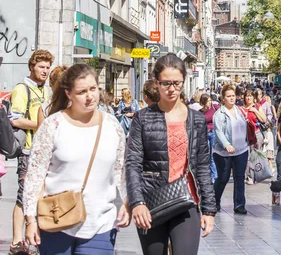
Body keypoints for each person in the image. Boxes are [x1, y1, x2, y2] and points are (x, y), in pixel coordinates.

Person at [22, 64, 130, 254]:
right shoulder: (53, 125)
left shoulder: (112, 126)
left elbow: (120, 170)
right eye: (82, 92)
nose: (90, 97)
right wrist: (30, 219)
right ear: (69, 94)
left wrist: (129, 202)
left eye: (93, 89)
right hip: (56, 221)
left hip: (100, 223)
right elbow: (35, 176)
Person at [126, 53, 216, 254]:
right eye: (166, 83)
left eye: (177, 83)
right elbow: (132, 164)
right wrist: (137, 203)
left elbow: (202, 166)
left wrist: (209, 210)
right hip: (151, 202)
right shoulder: (143, 119)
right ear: (156, 83)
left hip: (186, 200)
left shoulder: (196, 120)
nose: (172, 88)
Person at [10, 49, 54, 255]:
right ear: (31, 67)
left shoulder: (46, 90)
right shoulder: (22, 89)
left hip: (43, 151)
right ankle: (17, 241)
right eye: (41, 67)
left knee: (39, 196)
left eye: (47, 67)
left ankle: (35, 237)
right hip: (27, 150)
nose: (45, 71)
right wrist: (40, 125)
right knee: (23, 196)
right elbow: (14, 118)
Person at [213, 85, 255, 214]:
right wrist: (226, 144)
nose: (231, 98)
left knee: (239, 177)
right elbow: (218, 132)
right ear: (223, 98)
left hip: (241, 149)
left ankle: (239, 205)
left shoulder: (240, 111)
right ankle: (214, 201)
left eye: (233, 96)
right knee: (223, 178)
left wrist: (251, 141)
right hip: (223, 152)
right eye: (228, 96)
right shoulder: (219, 114)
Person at [240, 90, 267, 184]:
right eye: (247, 96)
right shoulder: (241, 109)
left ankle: (252, 176)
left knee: (254, 155)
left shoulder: (257, 107)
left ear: (254, 97)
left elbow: (264, 119)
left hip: (256, 133)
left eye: (251, 96)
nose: (249, 98)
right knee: (245, 156)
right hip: (244, 134)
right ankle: (245, 176)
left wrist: (255, 111)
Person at [199, 93, 219, 182]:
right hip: (204, 134)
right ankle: (207, 175)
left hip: (213, 133)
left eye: (210, 101)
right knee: (205, 155)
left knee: (212, 156)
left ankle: (214, 176)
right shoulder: (200, 112)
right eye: (208, 101)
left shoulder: (215, 108)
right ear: (203, 102)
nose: (210, 103)